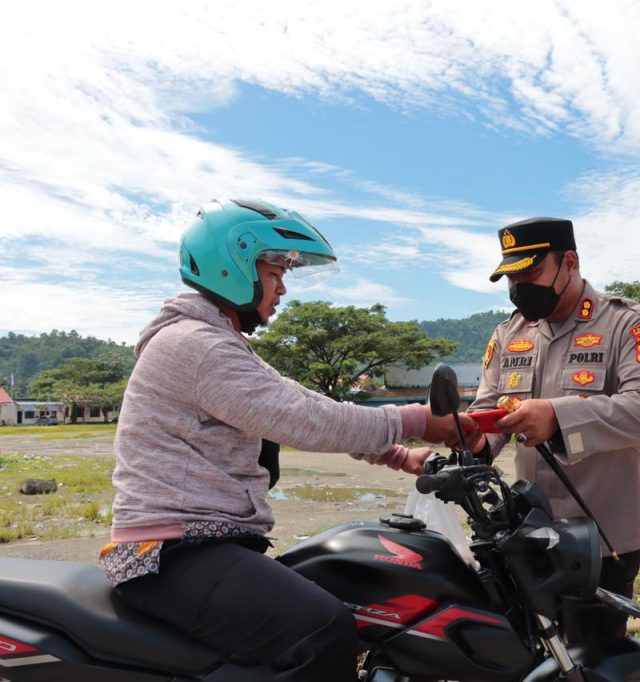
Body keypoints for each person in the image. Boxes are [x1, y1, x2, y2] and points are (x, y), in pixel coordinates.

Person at [103, 198, 473, 682]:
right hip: (171, 553)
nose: (281, 288)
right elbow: (300, 419)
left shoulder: (219, 341)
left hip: (201, 545)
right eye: (275, 272)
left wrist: (399, 455)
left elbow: (299, 400)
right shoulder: (196, 345)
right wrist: (415, 420)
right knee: (321, 629)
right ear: (232, 267)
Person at [464, 217, 640, 643]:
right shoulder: (509, 333)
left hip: (603, 537)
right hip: (530, 532)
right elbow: (490, 410)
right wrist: (477, 439)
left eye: (531, 274)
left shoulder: (627, 324)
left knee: (595, 658)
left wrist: (557, 417)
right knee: (532, 655)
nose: (519, 288)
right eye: (511, 279)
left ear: (570, 263)